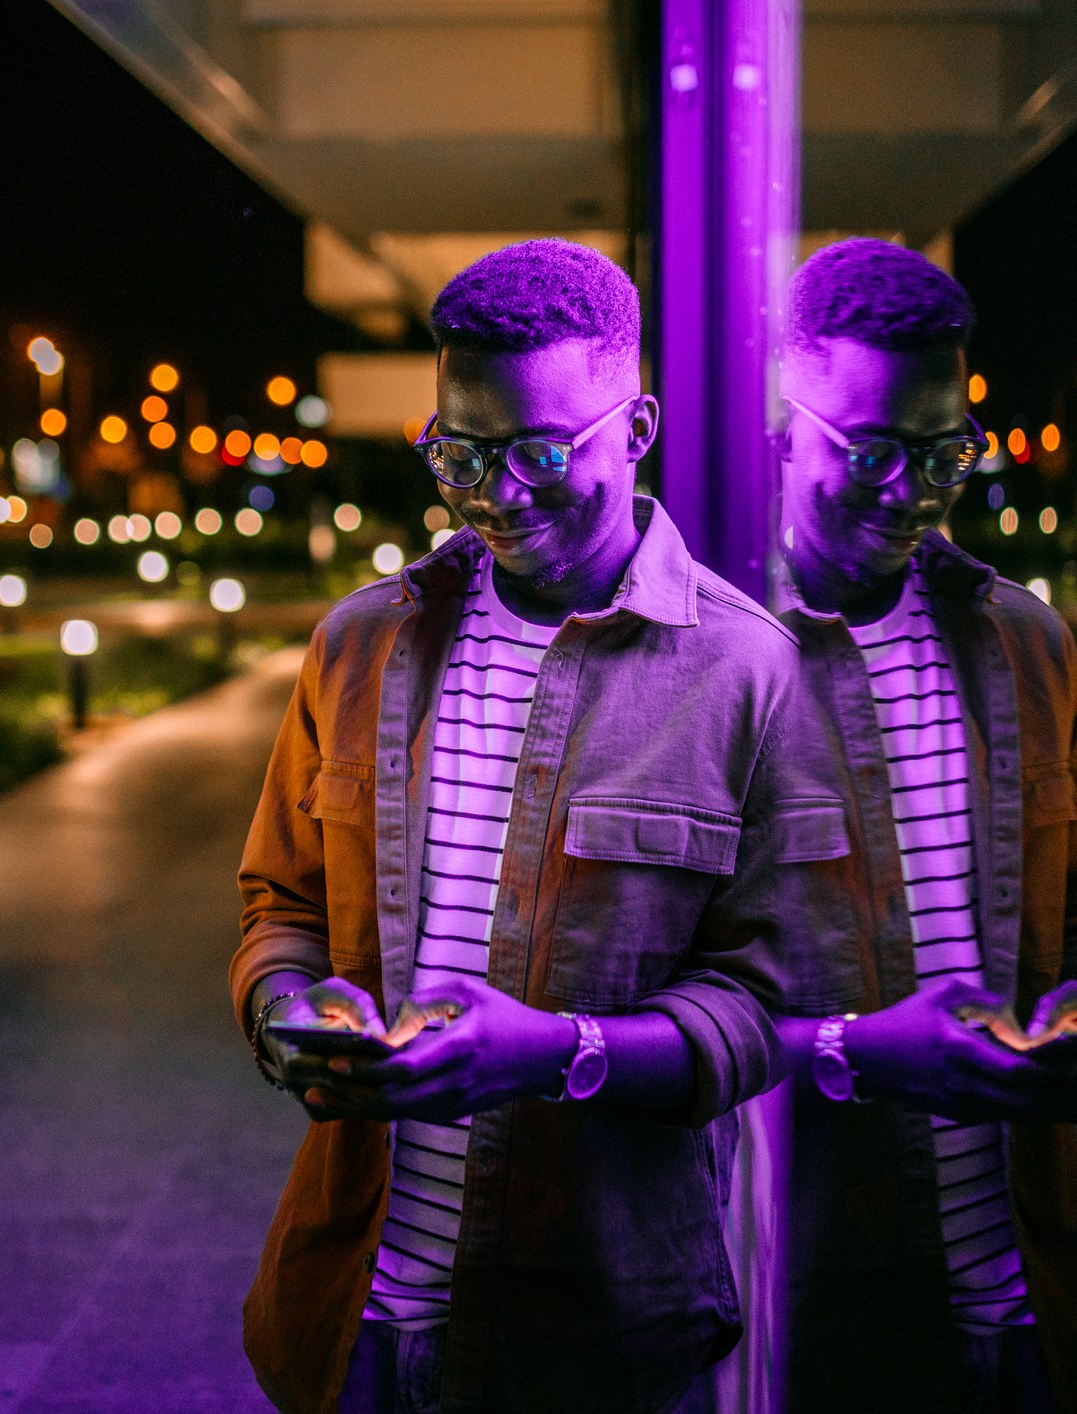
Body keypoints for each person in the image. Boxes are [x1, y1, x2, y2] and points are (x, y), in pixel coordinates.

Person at [229, 239, 810, 1414]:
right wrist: (285, 1006)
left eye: (542, 450)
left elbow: (775, 1001)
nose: (497, 493)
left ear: (636, 428)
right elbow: (280, 904)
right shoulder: (358, 645)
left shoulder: (749, 671)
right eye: (461, 453)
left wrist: (560, 1052)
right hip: (359, 1312)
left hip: (604, 1332)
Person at [771, 238, 1077, 1414]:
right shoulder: (697, 658)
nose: (912, 489)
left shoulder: (1024, 643)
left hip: (1017, 1308)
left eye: (946, 451)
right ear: (780, 424)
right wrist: (855, 1050)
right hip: (793, 1308)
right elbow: (611, 1010)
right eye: (871, 448)